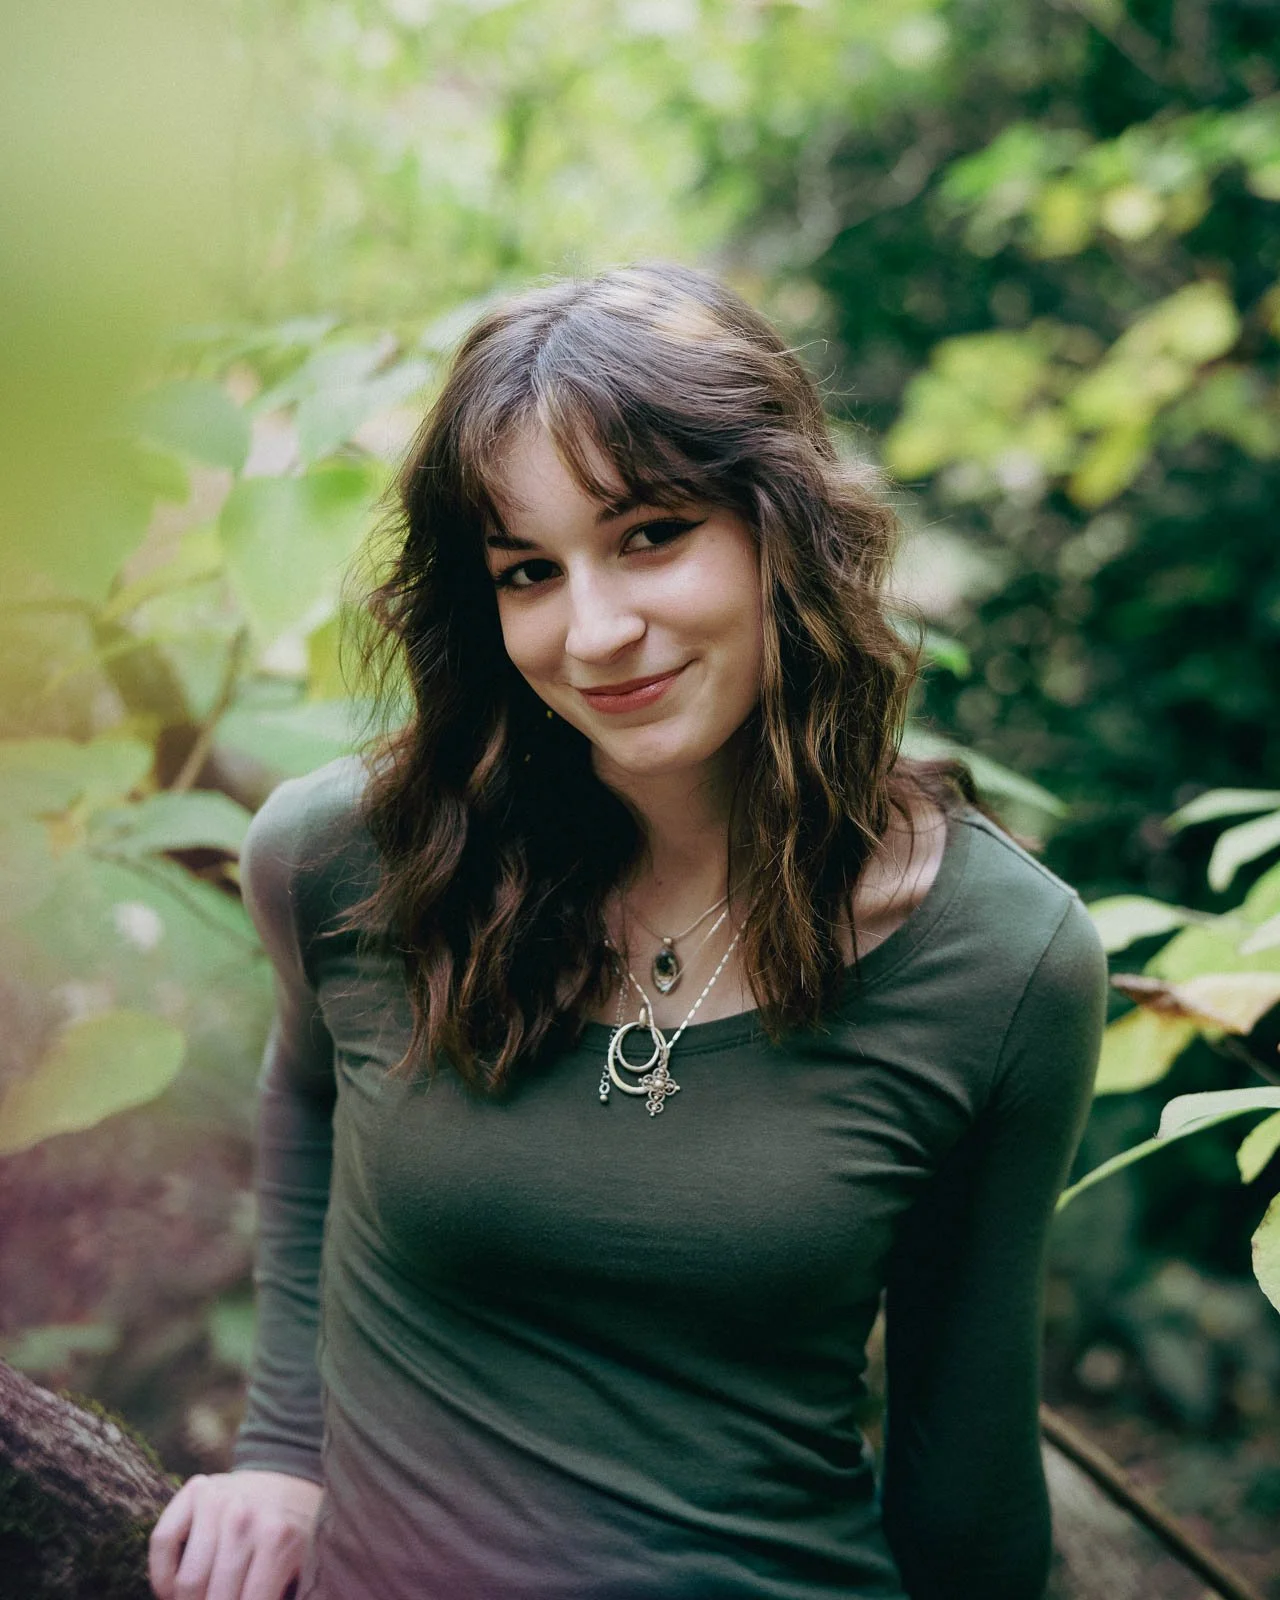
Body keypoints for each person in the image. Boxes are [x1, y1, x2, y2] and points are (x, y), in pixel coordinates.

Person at [148, 263, 1108, 1600]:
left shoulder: (1003, 961)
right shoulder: (350, 863)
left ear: (785, 528)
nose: (595, 630)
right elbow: (310, 1089)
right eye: (529, 570)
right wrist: (284, 1448)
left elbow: (968, 1467)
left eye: (652, 533)